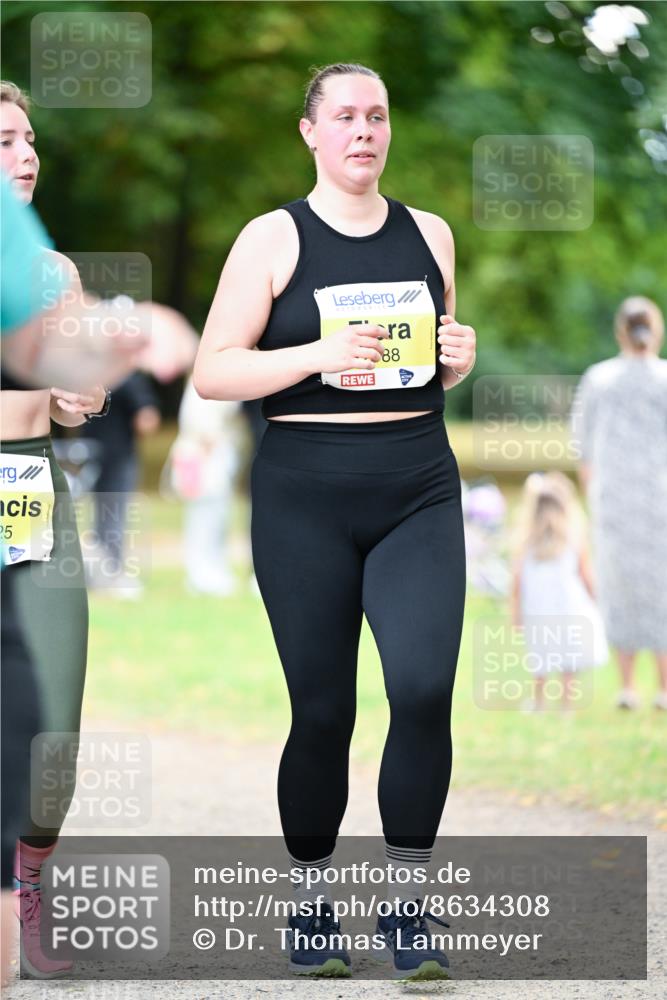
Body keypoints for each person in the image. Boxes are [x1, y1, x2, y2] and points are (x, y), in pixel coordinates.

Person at [195, 63, 476, 981]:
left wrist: (457, 356)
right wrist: (315, 352)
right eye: (346, 116)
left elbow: (431, 359)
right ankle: (312, 903)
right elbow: (214, 370)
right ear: (310, 132)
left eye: (377, 116)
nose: (364, 131)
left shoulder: (429, 232)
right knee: (323, 712)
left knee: (423, 690)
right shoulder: (272, 238)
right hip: (303, 496)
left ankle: (406, 904)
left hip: (417, 487)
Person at [572, 296, 667, 710]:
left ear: (620, 332)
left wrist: (593, 493)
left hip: (613, 498)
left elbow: (582, 445)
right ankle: (664, 688)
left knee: (619, 587)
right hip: (660, 498)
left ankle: (627, 686)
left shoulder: (599, 378)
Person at [510, 472, 608, 711]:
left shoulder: (526, 542)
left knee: (540, 656)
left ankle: (539, 702)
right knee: (568, 658)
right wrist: (595, 598)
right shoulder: (573, 540)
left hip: (538, 611)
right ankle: (566, 705)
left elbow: (517, 583)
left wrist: (516, 614)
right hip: (569, 609)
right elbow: (586, 575)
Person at [81, 372, 160, 595]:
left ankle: (100, 573)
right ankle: (110, 575)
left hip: (90, 453)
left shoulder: (88, 372)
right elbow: (147, 419)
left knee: (99, 518)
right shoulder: (129, 376)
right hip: (118, 456)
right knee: (113, 518)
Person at [167, 377, 241, 596]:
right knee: (202, 517)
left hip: (217, 454)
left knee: (216, 517)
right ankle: (201, 574)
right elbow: (199, 422)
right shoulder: (203, 382)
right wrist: (209, 445)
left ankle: (214, 570)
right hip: (203, 457)